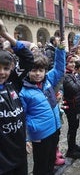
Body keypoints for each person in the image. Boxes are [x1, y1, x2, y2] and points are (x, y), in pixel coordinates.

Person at [19, 41, 66, 174]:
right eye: (34, 70)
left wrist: (61, 50)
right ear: (27, 70)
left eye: (41, 70)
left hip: (54, 128)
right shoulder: (23, 91)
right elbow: (22, 117)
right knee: (41, 163)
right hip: (40, 134)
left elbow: (59, 69)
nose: (38, 74)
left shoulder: (48, 80)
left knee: (51, 159)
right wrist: (26, 138)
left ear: (45, 71)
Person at [0, 19, 34, 175]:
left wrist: (5, 34)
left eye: (6, 68)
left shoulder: (13, 82)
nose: (2, 72)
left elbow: (28, 59)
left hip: (20, 154)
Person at [63, 54, 80, 159]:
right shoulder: (66, 76)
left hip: (76, 105)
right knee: (72, 127)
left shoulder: (71, 74)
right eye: (70, 62)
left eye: (73, 62)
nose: (72, 64)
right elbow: (74, 88)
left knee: (76, 126)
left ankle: (73, 145)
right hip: (71, 106)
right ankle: (70, 150)